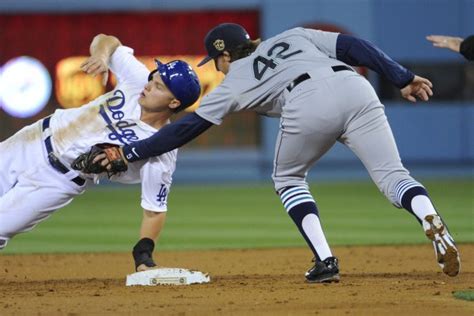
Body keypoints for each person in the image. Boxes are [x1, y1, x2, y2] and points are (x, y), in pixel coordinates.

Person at [75, 24, 461, 283]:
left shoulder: (234, 82)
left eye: (216, 62)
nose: (219, 69)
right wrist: (402, 77)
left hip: (306, 100)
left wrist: (131, 151)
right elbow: (353, 47)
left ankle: (325, 261)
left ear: (223, 56)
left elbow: (186, 128)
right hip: (354, 87)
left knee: (289, 178)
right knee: (394, 175)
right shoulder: (293, 35)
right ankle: (431, 220)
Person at [0, 34, 201, 272]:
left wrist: (143, 255)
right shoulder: (138, 82)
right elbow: (106, 39)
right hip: (31, 141)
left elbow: (154, 210)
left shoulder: (160, 147)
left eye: (159, 86)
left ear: (174, 103)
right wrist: (101, 55)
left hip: (55, 182)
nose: (148, 85)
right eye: (153, 78)